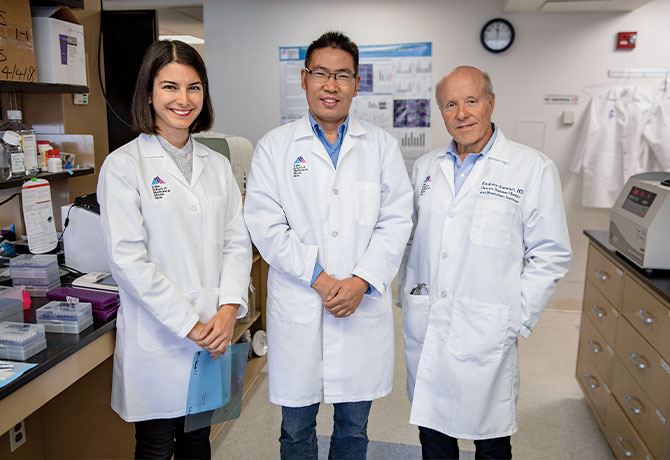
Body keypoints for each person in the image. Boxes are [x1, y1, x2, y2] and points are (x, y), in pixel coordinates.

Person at [244, 31, 413, 460]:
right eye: (321, 73)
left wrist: (362, 281)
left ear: (357, 83)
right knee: (296, 430)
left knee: (354, 430)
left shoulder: (381, 148)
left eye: (342, 75)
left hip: (361, 306)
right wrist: (318, 278)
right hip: (301, 302)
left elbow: (396, 221)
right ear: (304, 79)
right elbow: (266, 224)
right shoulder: (275, 147)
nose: (331, 85)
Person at [401, 66, 572, 459]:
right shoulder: (426, 168)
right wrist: (408, 297)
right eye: (450, 104)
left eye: (471, 101)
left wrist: (516, 315)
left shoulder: (531, 168)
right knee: (434, 436)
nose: (462, 113)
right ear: (441, 112)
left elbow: (550, 254)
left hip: (488, 329)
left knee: (491, 443)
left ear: (491, 103)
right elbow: (414, 240)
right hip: (429, 324)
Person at [97, 40, 252, 459]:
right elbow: (128, 259)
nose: (183, 100)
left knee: (198, 440)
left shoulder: (216, 165)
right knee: (156, 446)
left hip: (213, 330)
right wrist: (189, 323)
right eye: (170, 87)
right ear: (148, 92)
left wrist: (227, 308)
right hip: (161, 334)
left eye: (194, 87)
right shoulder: (125, 166)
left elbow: (237, 242)